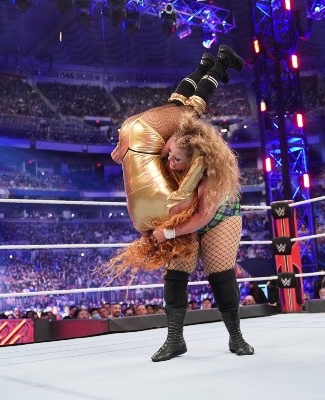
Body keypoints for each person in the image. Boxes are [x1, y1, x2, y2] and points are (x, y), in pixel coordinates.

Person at [103, 45, 253, 362]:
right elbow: (152, 146)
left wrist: (168, 233)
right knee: (175, 272)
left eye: (176, 160)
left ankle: (236, 337)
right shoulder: (173, 140)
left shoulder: (211, 173)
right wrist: (125, 149)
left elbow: (203, 215)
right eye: (169, 154)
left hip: (216, 215)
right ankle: (174, 340)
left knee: (220, 274)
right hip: (182, 211)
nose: (169, 162)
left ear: (194, 159)